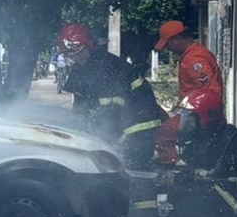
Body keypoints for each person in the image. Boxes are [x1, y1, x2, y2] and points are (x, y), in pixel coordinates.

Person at [153, 89, 237, 217]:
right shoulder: (196, 142)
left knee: (195, 199)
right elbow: (193, 172)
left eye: (188, 118)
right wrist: (173, 176)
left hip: (230, 202)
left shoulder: (234, 139)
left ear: (205, 117)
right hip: (205, 199)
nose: (183, 122)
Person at [58, 24, 164, 169]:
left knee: (130, 170)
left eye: (76, 51)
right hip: (121, 120)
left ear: (88, 46)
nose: (73, 56)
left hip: (138, 124)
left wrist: (101, 139)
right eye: (69, 53)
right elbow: (80, 104)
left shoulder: (105, 66)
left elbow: (109, 110)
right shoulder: (81, 67)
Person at [153, 20, 225, 165]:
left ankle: (174, 167)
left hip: (198, 115)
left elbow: (209, 92)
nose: (168, 49)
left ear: (176, 40)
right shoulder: (193, 55)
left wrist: (203, 120)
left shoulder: (194, 59)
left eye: (168, 44)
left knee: (165, 133)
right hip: (196, 114)